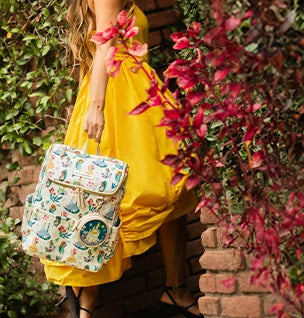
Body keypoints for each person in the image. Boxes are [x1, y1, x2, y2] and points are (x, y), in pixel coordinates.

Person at [40, 0, 202, 317]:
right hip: (121, 96)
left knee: (165, 192)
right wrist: (97, 108)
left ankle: (172, 288)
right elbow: (104, 45)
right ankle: (86, 305)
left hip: (126, 90)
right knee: (112, 201)